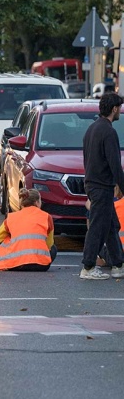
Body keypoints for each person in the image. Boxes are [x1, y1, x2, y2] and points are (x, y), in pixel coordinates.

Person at [80, 92, 124, 280]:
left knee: (111, 226)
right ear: (114, 109)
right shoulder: (109, 132)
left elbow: (87, 158)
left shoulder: (91, 129)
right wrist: (121, 186)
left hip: (93, 184)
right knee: (98, 227)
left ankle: (118, 265)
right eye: (119, 108)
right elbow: (115, 163)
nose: (120, 111)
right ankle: (88, 267)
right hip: (102, 187)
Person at [0, 188, 57, 271]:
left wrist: (10, 238)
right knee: (54, 248)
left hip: (15, 264)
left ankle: (11, 261)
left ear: (22, 203)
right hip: (41, 265)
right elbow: (49, 244)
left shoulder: (12, 217)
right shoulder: (46, 217)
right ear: (37, 202)